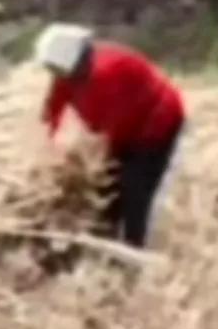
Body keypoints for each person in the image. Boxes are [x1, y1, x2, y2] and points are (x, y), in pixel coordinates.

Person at [35, 23, 186, 249]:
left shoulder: (106, 74)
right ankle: (105, 239)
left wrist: (92, 163)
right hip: (127, 123)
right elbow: (54, 107)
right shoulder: (70, 71)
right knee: (108, 191)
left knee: (134, 188)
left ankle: (133, 248)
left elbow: (111, 130)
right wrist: (48, 145)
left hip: (156, 122)